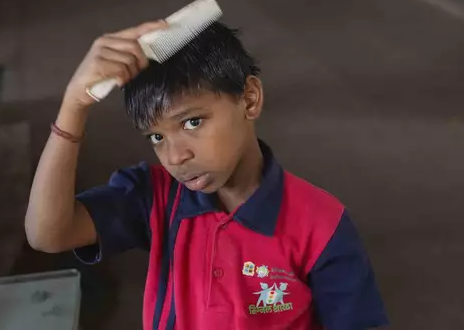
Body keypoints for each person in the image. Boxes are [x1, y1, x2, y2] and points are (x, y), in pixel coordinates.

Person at [25, 20, 389, 330]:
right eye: (157, 137)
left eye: (192, 122)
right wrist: (74, 104)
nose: (176, 156)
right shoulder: (154, 198)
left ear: (249, 99)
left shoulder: (321, 225)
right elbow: (47, 234)